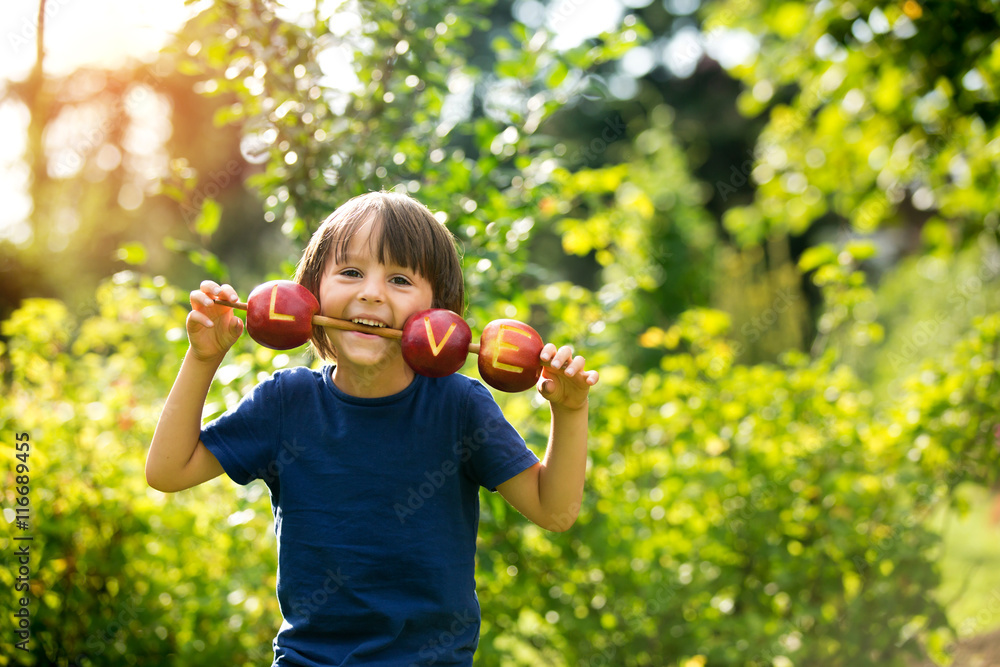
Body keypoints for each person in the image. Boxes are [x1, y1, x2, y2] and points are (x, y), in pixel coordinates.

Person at [145, 191, 599, 666]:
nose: (372, 292)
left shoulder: (458, 408)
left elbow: (555, 511)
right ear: (310, 291)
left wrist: (569, 412)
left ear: (439, 311)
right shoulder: (286, 404)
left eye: (400, 279)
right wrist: (203, 357)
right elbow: (167, 471)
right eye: (351, 272)